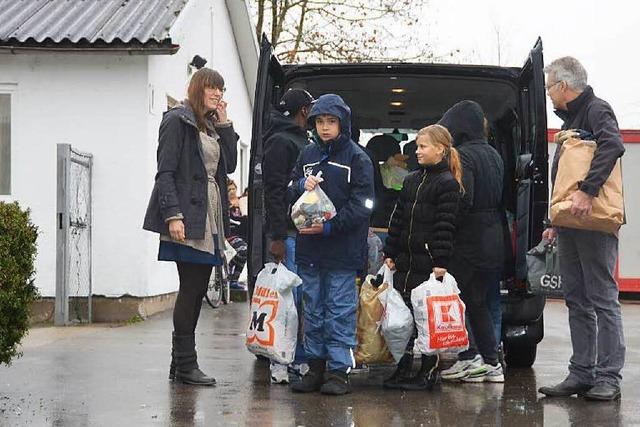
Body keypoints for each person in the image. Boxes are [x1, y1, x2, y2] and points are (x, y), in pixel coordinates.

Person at [143, 68, 238, 386]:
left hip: (208, 214)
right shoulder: (177, 119)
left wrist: (225, 124)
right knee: (192, 288)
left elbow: (231, 166)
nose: (218, 94)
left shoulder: (210, 125)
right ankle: (186, 365)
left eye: (221, 90)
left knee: (196, 289)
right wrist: (173, 215)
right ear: (198, 88)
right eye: (212, 88)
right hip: (186, 215)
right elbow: (165, 171)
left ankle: (179, 365)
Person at [538, 57, 625, 401]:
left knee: (603, 299)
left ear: (563, 85)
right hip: (570, 223)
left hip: (593, 219)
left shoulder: (596, 110)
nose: (548, 94)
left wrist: (588, 190)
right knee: (576, 299)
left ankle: (608, 377)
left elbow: (613, 145)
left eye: (548, 88)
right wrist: (553, 223)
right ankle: (581, 373)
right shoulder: (574, 118)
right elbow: (563, 176)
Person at [288, 94, 374, 395]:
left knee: (339, 308)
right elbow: (289, 188)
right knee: (312, 307)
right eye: (320, 122)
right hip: (310, 249)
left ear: (343, 124)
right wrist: (301, 185)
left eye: (331, 122)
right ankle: (314, 367)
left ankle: (338, 371)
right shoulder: (307, 154)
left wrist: (329, 227)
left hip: (342, 250)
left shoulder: (358, 158)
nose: (325, 128)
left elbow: (364, 205)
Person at [382, 124, 463, 390]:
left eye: (423, 146)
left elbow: (445, 226)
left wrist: (440, 263)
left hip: (428, 264)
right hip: (406, 260)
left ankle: (428, 370)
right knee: (404, 317)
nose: (417, 151)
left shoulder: (447, 184)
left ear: (440, 149)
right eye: (417, 146)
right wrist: (390, 252)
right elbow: (398, 219)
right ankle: (403, 367)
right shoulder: (411, 180)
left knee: (425, 319)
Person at [437, 100, 506, 383]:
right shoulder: (494, 154)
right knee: (481, 300)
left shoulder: (462, 155)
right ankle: (491, 361)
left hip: (470, 239)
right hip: (494, 236)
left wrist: (445, 224)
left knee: (467, 301)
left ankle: (471, 358)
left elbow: (464, 198)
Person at [262, 88, 315, 383]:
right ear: (304, 111)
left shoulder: (300, 140)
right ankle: (281, 359)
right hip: (290, 235)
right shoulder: (282, 142)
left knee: (301, 300)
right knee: (289, 300)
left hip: (303, 233)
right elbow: (274, 191)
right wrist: (278, 236)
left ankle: (299, 357)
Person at [226, 178, 248, 291]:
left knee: (246, 253)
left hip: (243, 233)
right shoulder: (225, 205)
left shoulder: (241, 201)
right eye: (229, 189)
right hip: (231, 234)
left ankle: (234, 279)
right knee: (243, 250)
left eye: (234, 188)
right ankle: (230, 270)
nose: (232, 191)